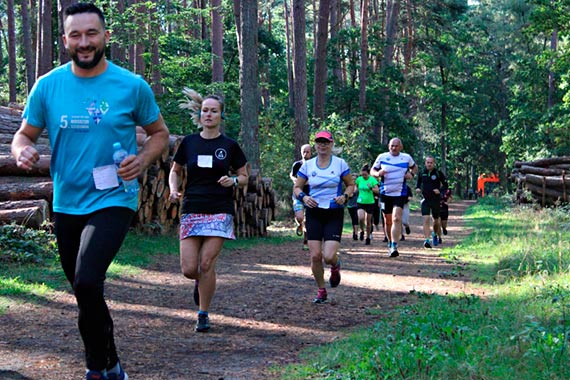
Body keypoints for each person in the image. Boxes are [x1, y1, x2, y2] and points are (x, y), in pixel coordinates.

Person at [11, 3, 169, 380]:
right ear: (65, 40)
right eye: (76, 35)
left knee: (86, 279)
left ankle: (94, 370)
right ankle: (111, 362)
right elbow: (23, 135)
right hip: (67, 201)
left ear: (105, 37)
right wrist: (22, 150)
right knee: (84, 291)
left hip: (114, 197)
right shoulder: (48, 86)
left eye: (91, 34)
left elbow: (159, 134)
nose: (84, 42)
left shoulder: (131, 86)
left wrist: (143, 159)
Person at [169, 90, 248, 333]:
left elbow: (245, 176)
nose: (209, 114)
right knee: (189, 269)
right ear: (199, 114)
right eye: (205, 110)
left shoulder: (230, 146)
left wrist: (233, 181)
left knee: (206, 263)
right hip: (192, 207)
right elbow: (175, 171)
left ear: (221, 115)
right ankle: (199, 283)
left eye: (214, 111)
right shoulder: (189, 143)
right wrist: (173, 189)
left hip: (219, 210)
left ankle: (203, 313)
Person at [293, 131, 354, 303]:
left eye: (326, 142)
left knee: (328, 256)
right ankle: (321, 290)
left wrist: (345, 196)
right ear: (315, 145)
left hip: (334, 212)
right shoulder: (308, 166)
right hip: (314, 212)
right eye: (319, 142)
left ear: (331, 144)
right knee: (315, 256)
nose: (322, 145)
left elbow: (350, 184)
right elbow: (297, 188)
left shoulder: (340, 164)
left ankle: (335, 265)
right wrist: (304, 198)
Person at [371, 138, 417, 257]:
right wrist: (377, 174)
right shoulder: (382, 157)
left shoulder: (406, 157)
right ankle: (390, 242)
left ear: (401, 147)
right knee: (388, 220)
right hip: (385, 193)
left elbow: (414, 167)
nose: (394, 148)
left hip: (400, 193)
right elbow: (372, 170)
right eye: (392, 146)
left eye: (396, 146)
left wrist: (411, 174)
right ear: (388, 146)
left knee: (397, 218)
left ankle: (394, 246)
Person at [415, 156, 448, 248]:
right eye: (427, 162)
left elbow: (446, 185)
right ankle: (426, 240)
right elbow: (418, 183)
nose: (429, 164)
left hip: (436, 200)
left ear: (434, 164)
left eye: (431, 163)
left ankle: (434, 234)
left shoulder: (438, 173)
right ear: (425, 163)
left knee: (436, 221)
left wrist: (440, 190)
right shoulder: (422, 173)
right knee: (425, 219)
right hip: (425, 199)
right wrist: (417, 188)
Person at [290, 144, 312, 250]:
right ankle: (299, 223)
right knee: (300, 217)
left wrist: (306, 182)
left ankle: (306, 241)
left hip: (310, 196)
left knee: (308, 220)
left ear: (311, 153)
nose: (305, 154)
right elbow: (292, 175)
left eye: (307, 152)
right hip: (297, 195)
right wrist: (295, 180)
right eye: (303, 151)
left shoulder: (314, 165)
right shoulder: (297, 164)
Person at [355, 164, 379, 245]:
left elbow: (377, 191)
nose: (364, 176)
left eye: (365, 174)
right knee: (360, 218)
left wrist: (371, 188)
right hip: (360, 202)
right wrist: (353, 192)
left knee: (368, 222)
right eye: (362, 174)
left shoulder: (372, 180)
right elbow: (355, 187)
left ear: (368, 173)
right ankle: (361, 230)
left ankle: (368, 237)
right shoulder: (359, 179)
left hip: (370, 202)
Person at [347, 173, 360, 241]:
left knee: (356, 219)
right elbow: (349, 195)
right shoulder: (349, 186)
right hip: (350, 205)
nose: (354, 180)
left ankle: (356, 233)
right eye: (353, 179)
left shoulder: (360, 186)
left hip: (358, 204)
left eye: (355, 179)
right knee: (353, 219)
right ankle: (354, 231)